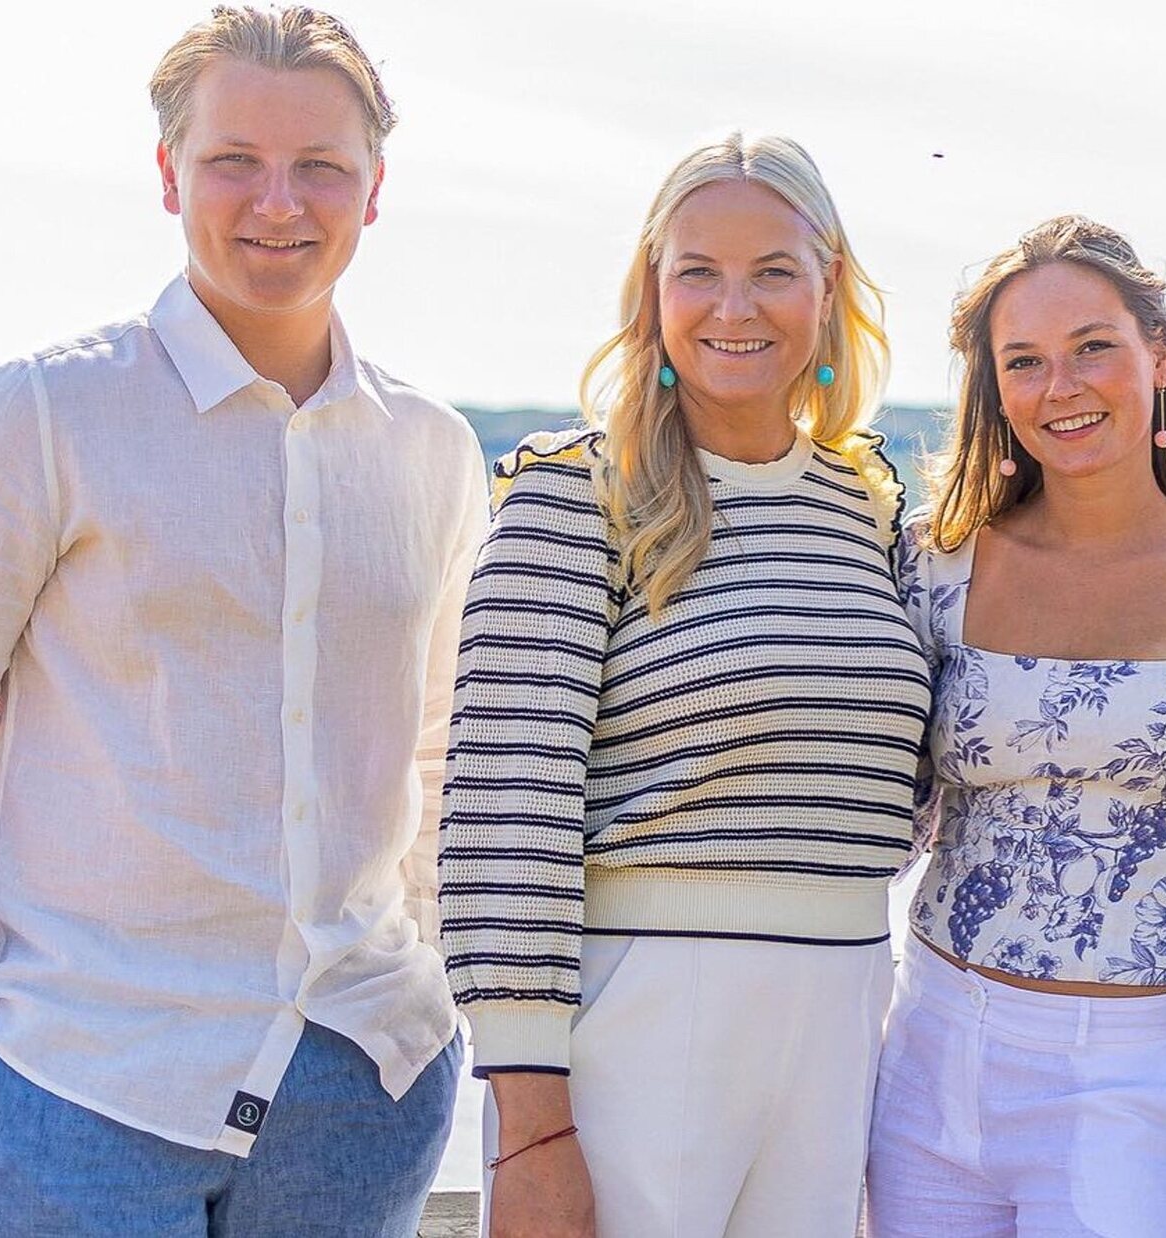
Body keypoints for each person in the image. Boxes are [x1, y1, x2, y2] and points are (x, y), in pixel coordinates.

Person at [0, 7, 484, 1234]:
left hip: (357, 1097)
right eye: (234, 162)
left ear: (374, 190)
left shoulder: (432, 451)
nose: (279, 200)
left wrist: (421, 980)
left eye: (321, 164)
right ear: (168, 175)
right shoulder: (33, 416)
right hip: (66, 1093)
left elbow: (443, 746)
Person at [439, 132, 928, 1238]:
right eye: (695, 270)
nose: (732, 306)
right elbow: (501, 819)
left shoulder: (868, 506)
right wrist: (529, 1128)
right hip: (638, 1033)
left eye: (772, 270)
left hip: (840, 1016)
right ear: (651, 292)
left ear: (827, 288)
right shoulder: (574, 493)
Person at [862, 215, 1166, 1237]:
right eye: (1022, 361)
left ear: (1155, 354)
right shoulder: (931, 565)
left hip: (1129, 1067)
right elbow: (875, 822)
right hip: (930, 1036)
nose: (1059, 386)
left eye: (1091, 347)